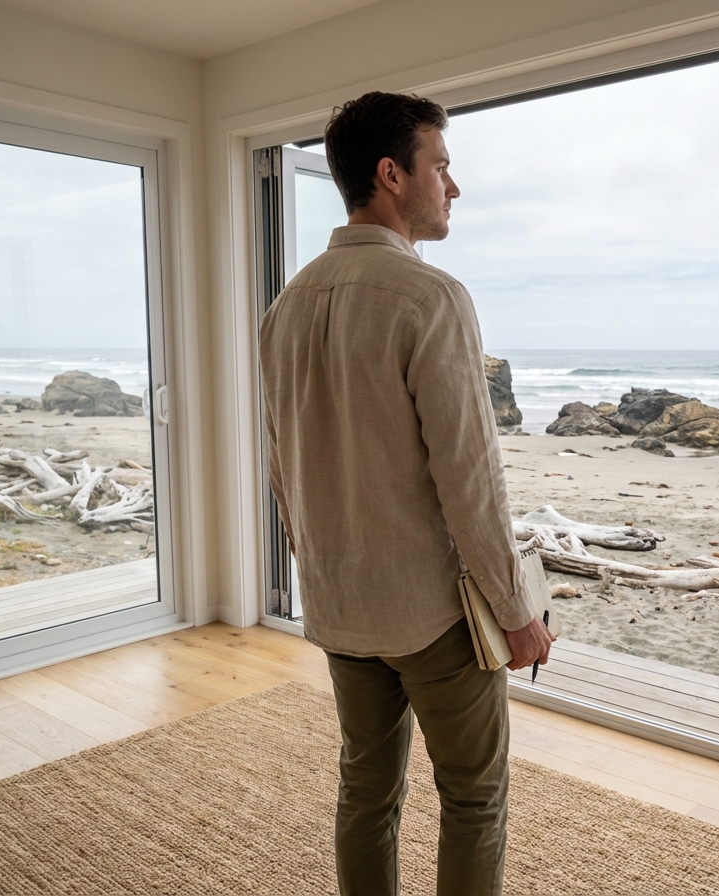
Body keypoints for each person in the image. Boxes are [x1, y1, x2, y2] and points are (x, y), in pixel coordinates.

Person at [258, 91, 555, 896]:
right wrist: (517, 612)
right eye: (442, 166)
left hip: (342, 604)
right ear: (392, 175)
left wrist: (315, 566)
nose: (452, 187)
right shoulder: (431, 297)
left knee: (366, 790)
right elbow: (469, 477)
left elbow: (282, 462)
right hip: (433, 613)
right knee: (473, 796)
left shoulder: (284, 307)